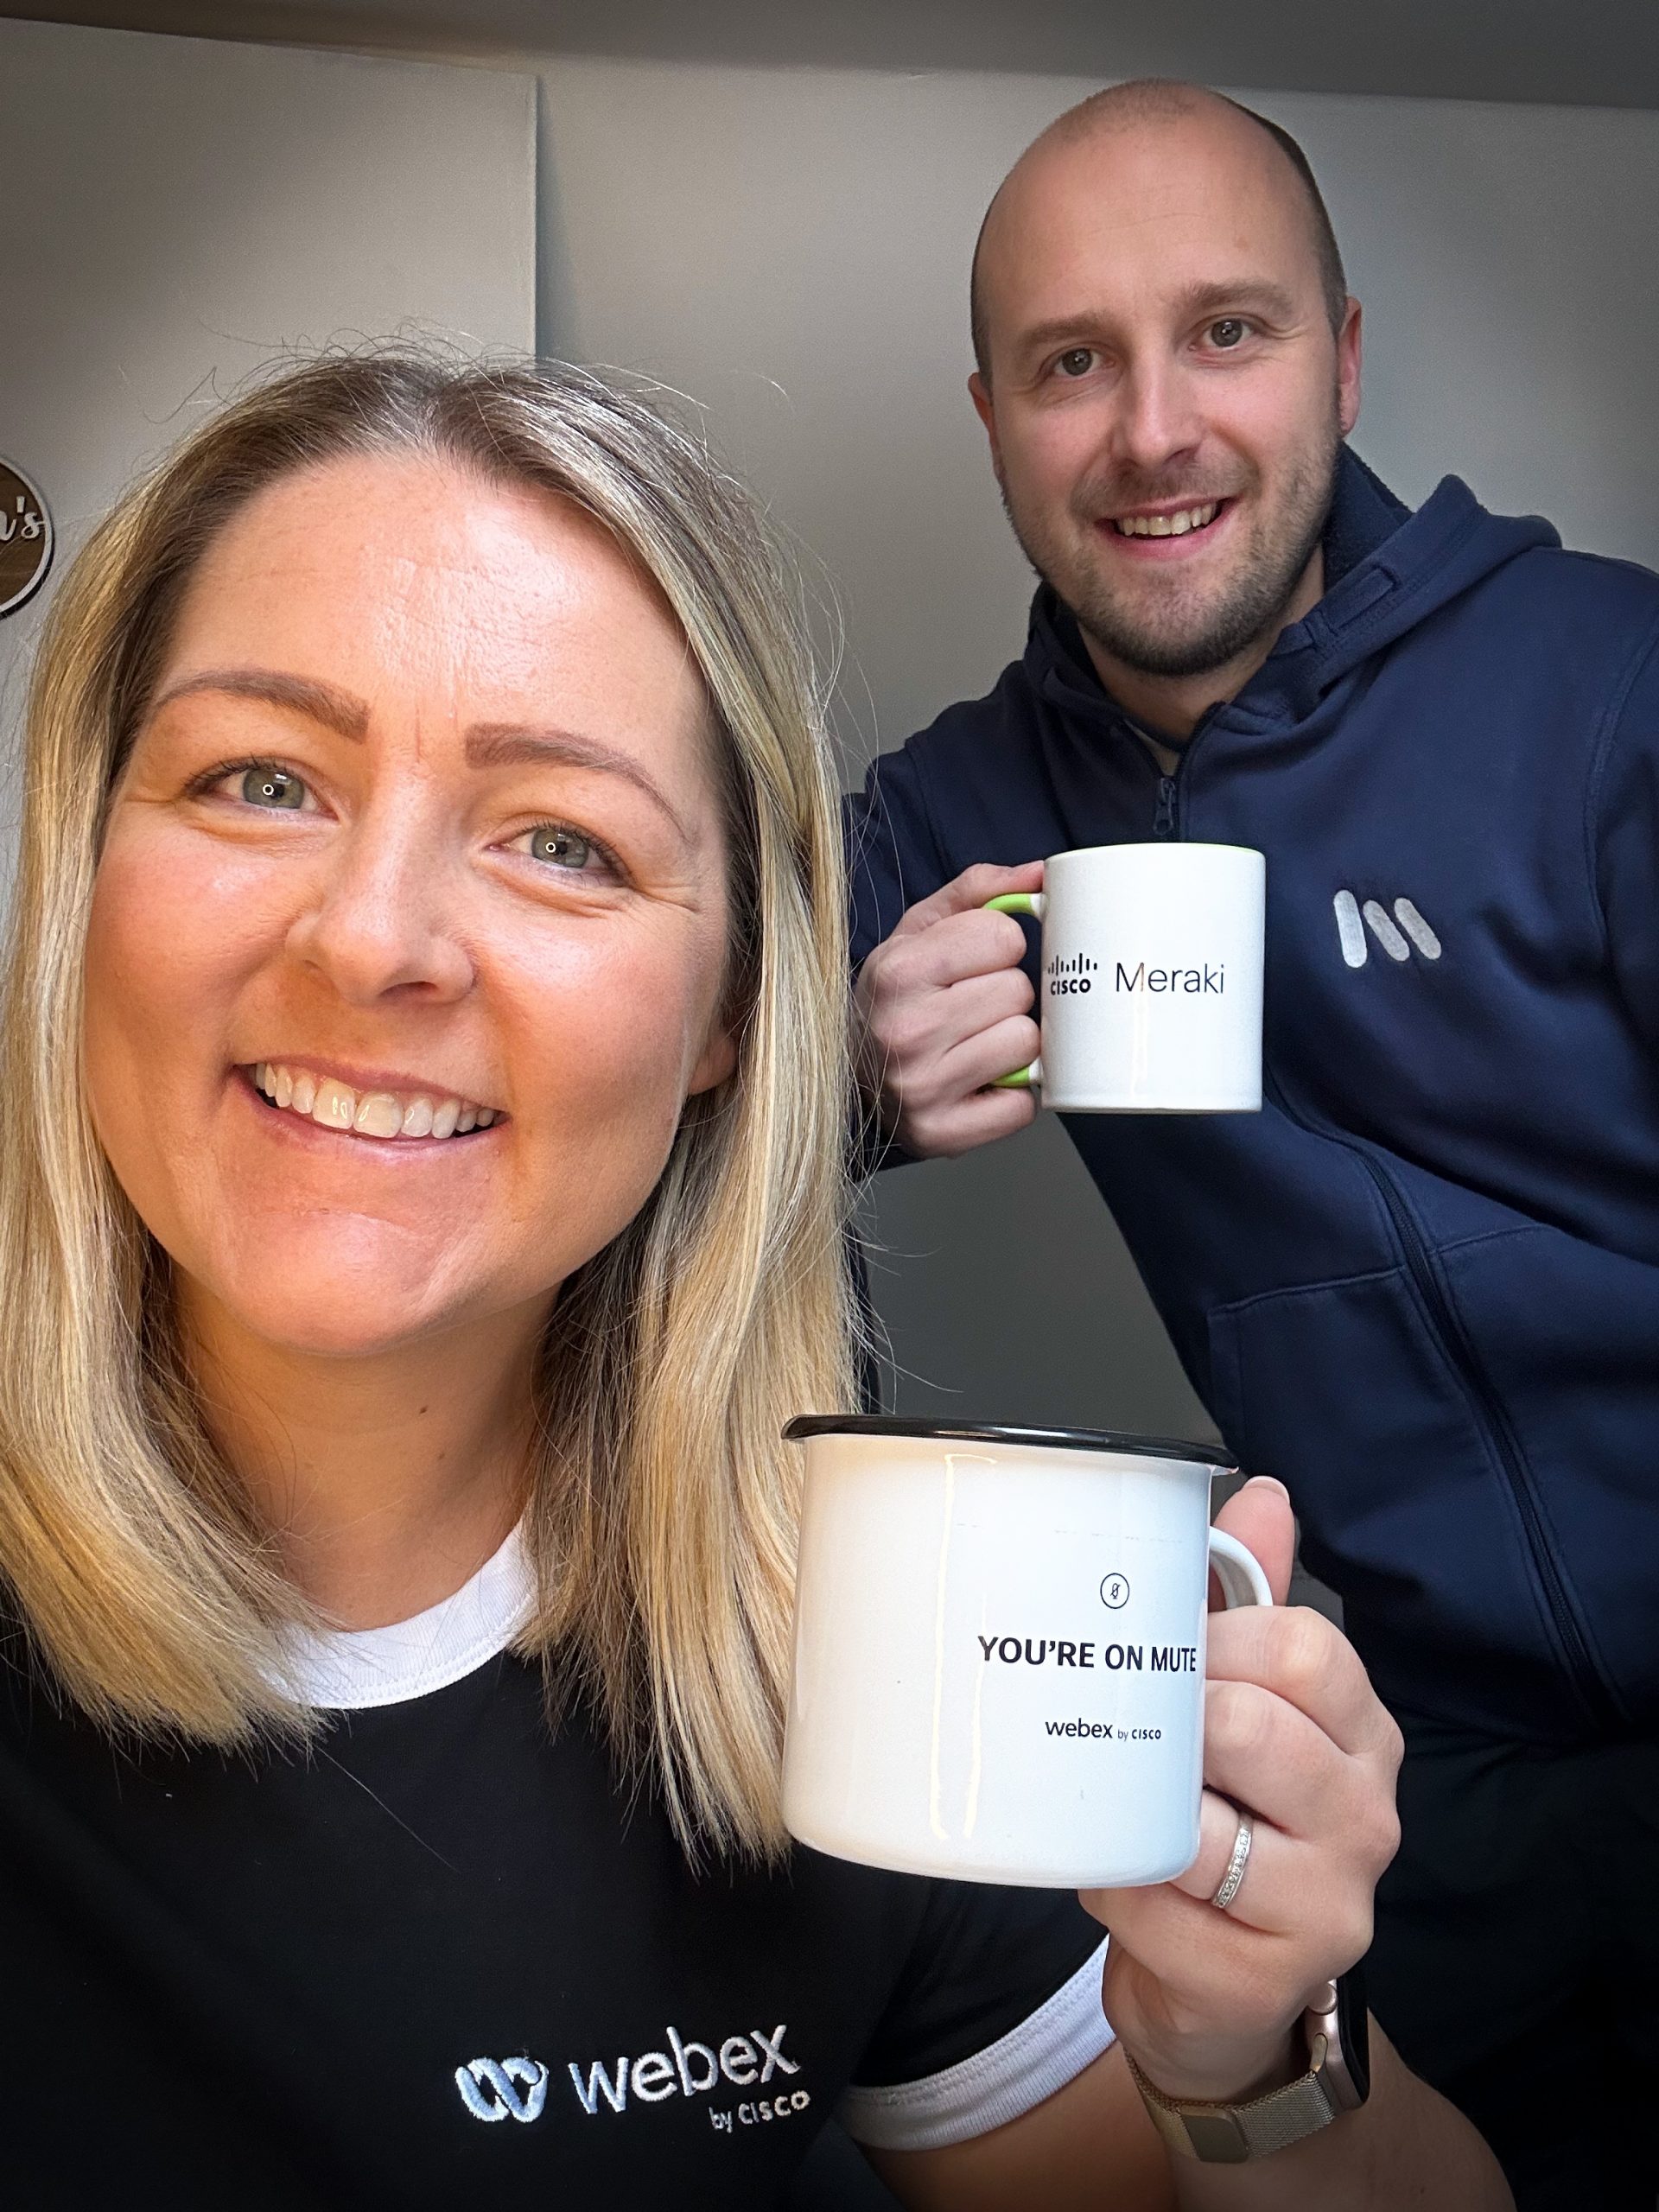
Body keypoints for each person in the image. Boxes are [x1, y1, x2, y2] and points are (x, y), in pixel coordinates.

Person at [0, 351, 1507, 2210]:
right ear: (83, 863)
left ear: (732, 1012)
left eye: (564, 838)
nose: (373, 935)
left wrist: (1254, 2059)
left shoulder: (866, 1626)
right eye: (258, 777)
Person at [849, 79, 1659, 2212]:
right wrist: (855, 1078)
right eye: (1071, 363)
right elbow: (632, 1067)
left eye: (1228, 331)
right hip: (1397, 1781)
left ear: (1344, 356)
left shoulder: (1608, 685)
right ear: (994, 412)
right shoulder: (954, 820)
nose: (1153, 432)